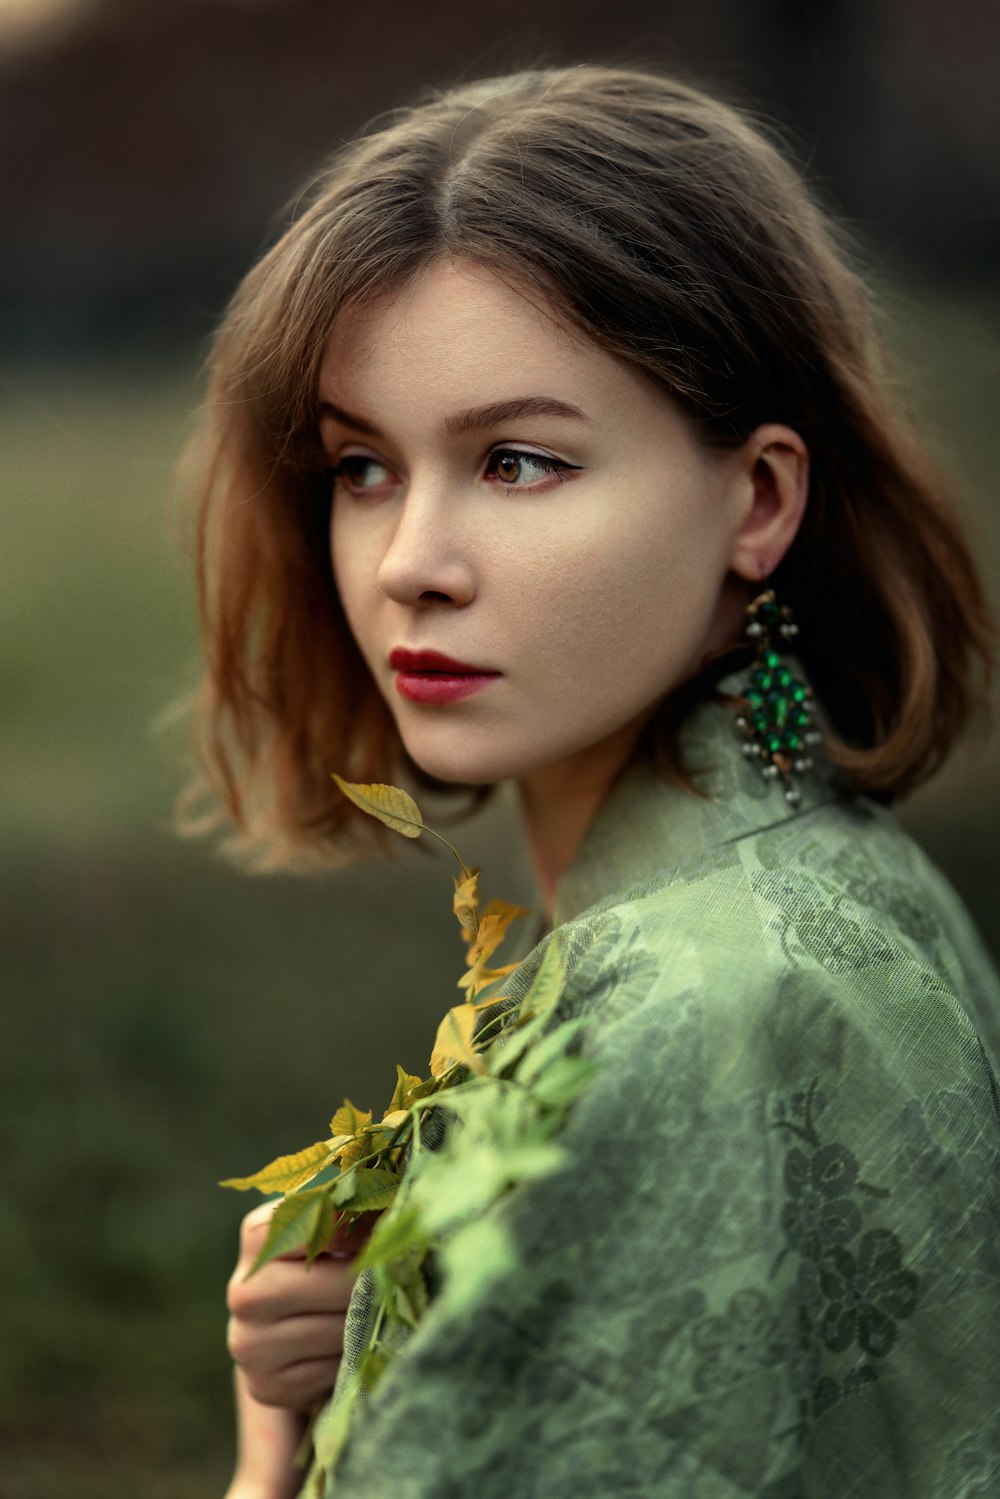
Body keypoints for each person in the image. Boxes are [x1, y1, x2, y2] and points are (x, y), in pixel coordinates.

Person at [180, 65, 1000, 1499]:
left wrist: (274, 1453)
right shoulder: (826, 875)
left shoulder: (701, 1016)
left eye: (515, 461)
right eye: (362, 466)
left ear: (758, 501)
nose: (407, 563)